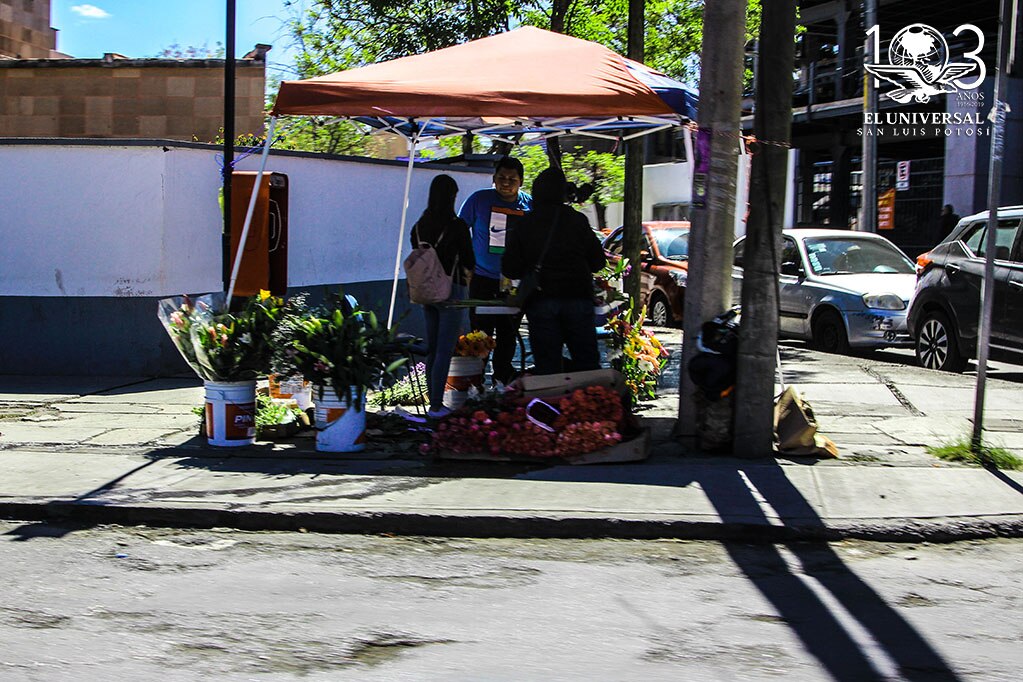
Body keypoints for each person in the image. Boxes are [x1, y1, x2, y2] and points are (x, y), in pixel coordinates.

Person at [503, 167, 606, 375]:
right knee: (587, 365)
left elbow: (510, 268)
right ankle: (588, 404)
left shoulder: (525, 224)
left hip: (541, 300)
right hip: (578, 298)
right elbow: (598, 262)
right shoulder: (578, 220)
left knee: (547, 367)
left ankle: (551, 406)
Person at [458, 156, 532, 387]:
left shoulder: (530, 205)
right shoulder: (478, 200)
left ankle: (503, 377)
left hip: (514, 281)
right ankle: (475, 379)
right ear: (494, 179)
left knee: (509, 332)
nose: (506, 183)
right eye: (501, 178)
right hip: (482, 278)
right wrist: (464, 265)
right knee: (480, 333)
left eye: (512, 179)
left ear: (521, 181)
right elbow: (460, 231)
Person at [410, 175, 475, 419]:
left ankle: (432, 401)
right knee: (445, 350)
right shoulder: (456, 225)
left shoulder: (418, 226)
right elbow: (469, 260)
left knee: (433, 348)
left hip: (426, 292)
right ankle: (436, 406)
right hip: (452, 290)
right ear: (451, 197)